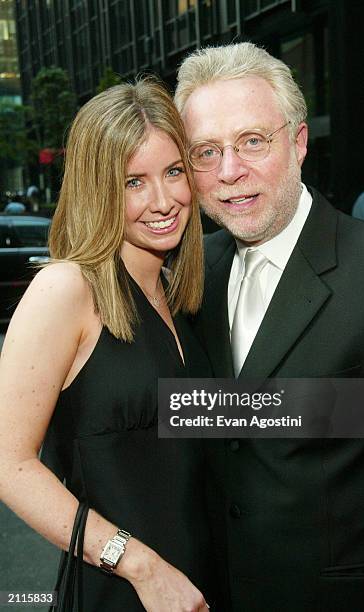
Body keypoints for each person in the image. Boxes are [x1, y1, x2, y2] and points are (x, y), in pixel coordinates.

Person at [175, 42, 364, 611]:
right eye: (206, 151)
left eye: (253, 141)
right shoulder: (185, 275)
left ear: (299, 142)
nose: (231, 171)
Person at [0, 79, 218, 611]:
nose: (163, 201)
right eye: (133, 182)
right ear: (99, 187)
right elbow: (8, 464)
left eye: (173, 173)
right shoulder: (67, 288)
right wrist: (140, 567)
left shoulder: (180, 292)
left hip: (200, 585)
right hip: (120, 591)